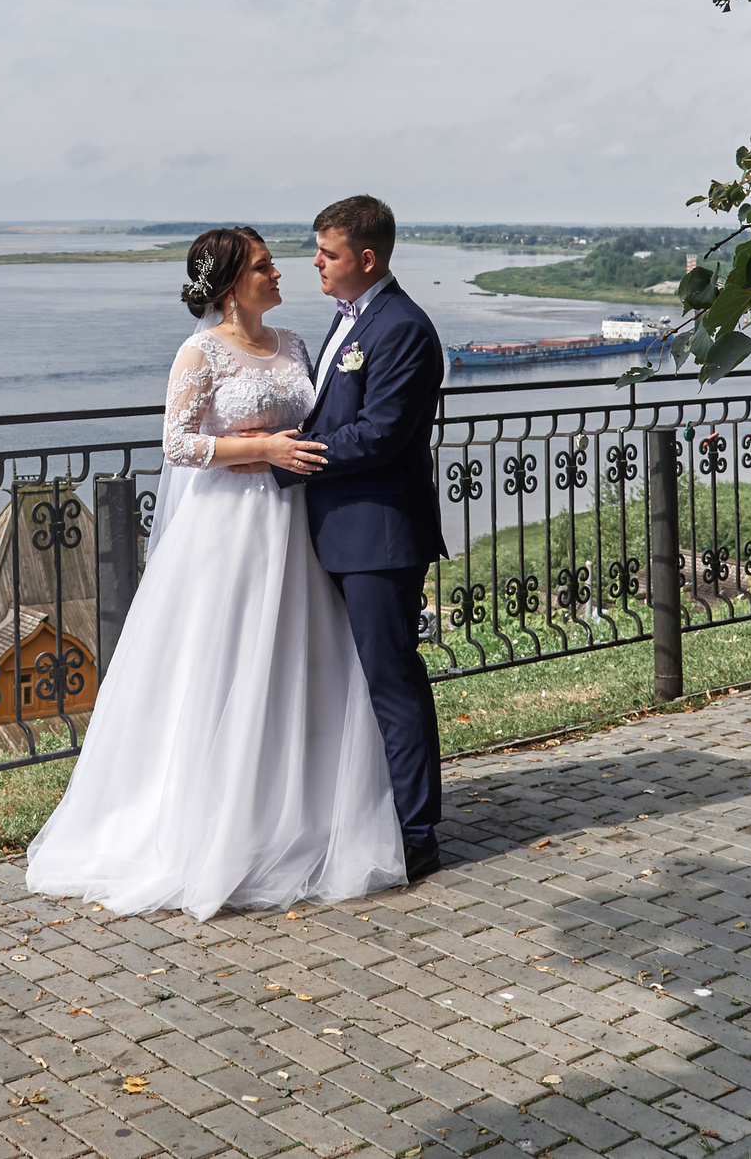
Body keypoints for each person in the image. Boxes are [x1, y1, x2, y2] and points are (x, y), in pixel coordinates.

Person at [22, 227, 407, 918]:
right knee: (223, 662)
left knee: (294, 664)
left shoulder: (292, 343)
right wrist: (258, 446)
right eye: (265, 266)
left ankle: (294, 814)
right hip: (224, 528)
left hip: (292, 527)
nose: (280, 272)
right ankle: (210, 824)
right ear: (232, 285)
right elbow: (176, 442)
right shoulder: (199, 351)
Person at [271, 194, 450, 884]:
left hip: (378, 535)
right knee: (350, 682)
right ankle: (360, 812)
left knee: (392, 679)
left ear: (366, 258)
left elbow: (379, 433)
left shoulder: (402, 327)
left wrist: (293, 455)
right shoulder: (349, 321)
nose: (314, 261)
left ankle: (416, 832)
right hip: (338, 532)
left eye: (328, 251)